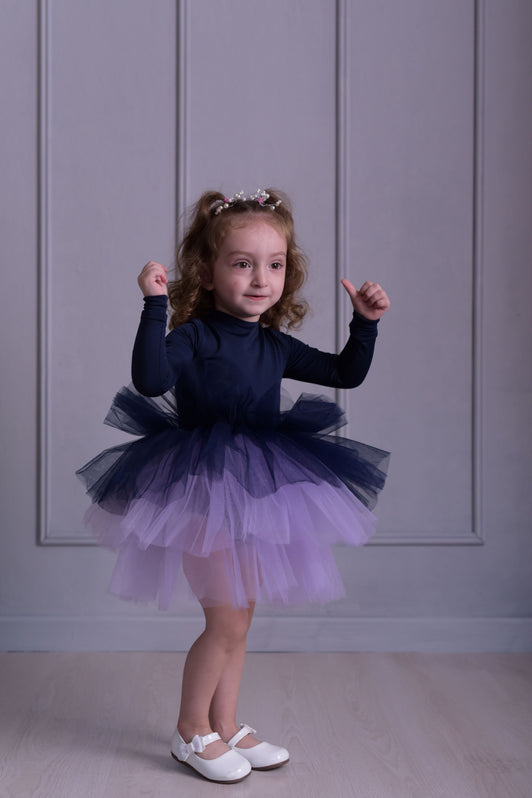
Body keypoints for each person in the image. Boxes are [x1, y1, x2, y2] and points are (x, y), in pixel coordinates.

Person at [77, 188, 390, 784]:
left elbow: (344, 372)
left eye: (274, 265)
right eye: (242, 264)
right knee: (225, 619)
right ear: (208, 271)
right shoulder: (195, 337)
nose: (259, 279)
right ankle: (191, 730)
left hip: (259, 486)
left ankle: (225, 722)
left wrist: (366, 325)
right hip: (199, 485)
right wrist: (153, 304)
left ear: (288, 272)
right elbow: (149, 380)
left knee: (242, 614)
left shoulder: (273, 344)